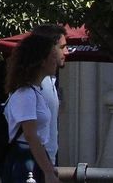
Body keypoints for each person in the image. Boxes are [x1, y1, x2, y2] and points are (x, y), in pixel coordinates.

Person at [2, 29, 61, 183]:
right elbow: (30, 135)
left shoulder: (35, 92)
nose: (57, 60)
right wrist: (48, 171)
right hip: (25, 160)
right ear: (42, 60)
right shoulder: (25, 93)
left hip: (33, 158)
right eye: (53, 56)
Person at [31, 23, 68, 164]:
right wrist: (47, 169)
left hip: (45, 163)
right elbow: (31, 135)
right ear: (48, 50)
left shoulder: (48, 82)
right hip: (35, 167)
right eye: (62, 47)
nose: (67, 52)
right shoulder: (35, 86)